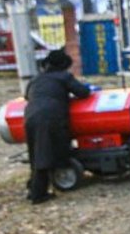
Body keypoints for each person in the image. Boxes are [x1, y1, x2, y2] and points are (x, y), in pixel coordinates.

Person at [22, 48, 92, 204]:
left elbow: (27, 96)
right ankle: (38, 194)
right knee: (45, 154)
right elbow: (83, 92)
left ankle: (33, 188)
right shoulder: (63, 77)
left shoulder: (36, 79)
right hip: (50, 117)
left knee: (36, 154)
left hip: (30, 117)